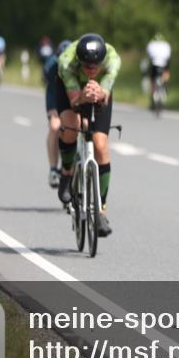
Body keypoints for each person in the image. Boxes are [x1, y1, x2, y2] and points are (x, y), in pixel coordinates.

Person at [56, 34, 120, 237]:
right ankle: (66, 173)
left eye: (95, 67)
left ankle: (101, 211)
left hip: (99, 91)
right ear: (79, 62)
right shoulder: (67, 63)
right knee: (71, 126)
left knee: (100, 145)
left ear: (102, 62)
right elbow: (74, 102)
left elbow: (106, 95)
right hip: (71, 91)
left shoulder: (112, 60)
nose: (91, 71)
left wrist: (100, 93)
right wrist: (83, 96)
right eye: (87, 67)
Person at [43, 40, 73, 188]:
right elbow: (52, 91)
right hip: (55, 95)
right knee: (55, 126)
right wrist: (53, 112)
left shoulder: (78, 66)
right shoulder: (52, 67)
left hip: (74, 96)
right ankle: (54, 169)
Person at [145, 33, 172, 106]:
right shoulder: (166, 45)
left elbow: (149, 57)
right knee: (166, 74)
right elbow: (168, 57)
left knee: (152, 79)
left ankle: (153, 93)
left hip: (154, 65)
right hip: (164, 64)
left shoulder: (151, 44)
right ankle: (165, 86)